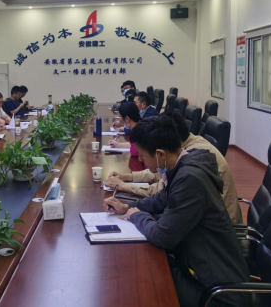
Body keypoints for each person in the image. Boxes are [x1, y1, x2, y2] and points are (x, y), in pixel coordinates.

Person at [103, 116, 249, 307]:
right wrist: (127, 207)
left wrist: (136, 215)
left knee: (145, 281)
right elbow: (161, 198)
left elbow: (162, 235)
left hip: (215, 291)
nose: (141, 159)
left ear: (160, 154)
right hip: (195, 264)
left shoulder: (190, 178)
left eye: (142, 155)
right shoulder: (184, 164)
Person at [105, 111, 243, 224]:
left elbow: (161, 191)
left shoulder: (191, 159)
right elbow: (160, 179)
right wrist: (127, 178)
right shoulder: (183, 148)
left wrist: (124, 187)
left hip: (213, 231)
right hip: (197, 219)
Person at [108, 103, 145, 170]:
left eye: (120, 116)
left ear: (127, 118)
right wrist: (118, 145)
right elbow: (133, 145)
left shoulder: (137, 132)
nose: (119, 119)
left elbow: (134, 152)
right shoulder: (139, 127)